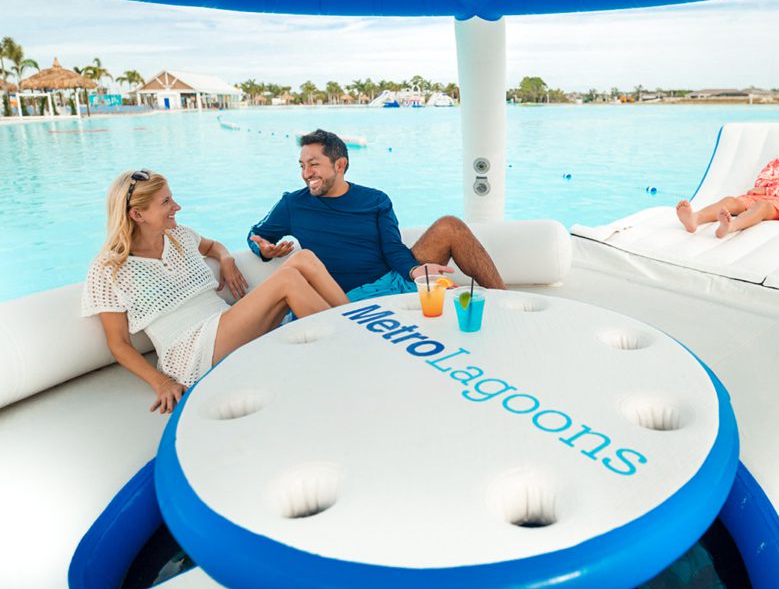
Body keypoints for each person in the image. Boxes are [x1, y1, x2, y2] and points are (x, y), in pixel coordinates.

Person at [81, 170, 348, 413]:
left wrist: (226, 259)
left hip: (224, 327)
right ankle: (348, 349)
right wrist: (161, 382)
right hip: (190, 354)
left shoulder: (180, 236)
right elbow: (118, 344)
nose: (176, 206)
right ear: (137, 215)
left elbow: (213, 246)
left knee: (305, 259)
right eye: (165, 202)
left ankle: (356, 323)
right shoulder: (108, 268)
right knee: (288, 278)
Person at [248, 129, 506, 300]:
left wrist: (414, 270)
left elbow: (392, 248)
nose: (306, 174)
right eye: (302, 166)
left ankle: (505, 300)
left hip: (391, 283)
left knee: (450, 225)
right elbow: (256, 234)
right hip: (340, 298)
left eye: (314, 164)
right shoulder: (292, 203)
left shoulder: (375, 200)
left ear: (340, 165)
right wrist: (263, 249)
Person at [676, 128, 779, 238]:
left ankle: (731, 226)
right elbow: (761, 183)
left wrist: (770, 190)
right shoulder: (776, 163)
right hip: (761, 197)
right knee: (730, 201)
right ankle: (695, 218)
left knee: (762, 206)